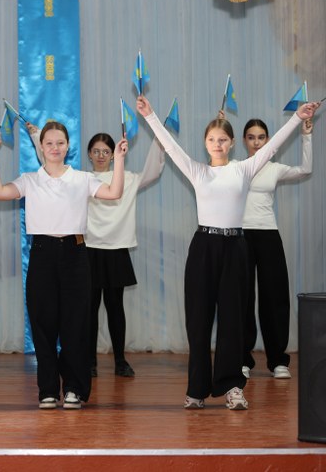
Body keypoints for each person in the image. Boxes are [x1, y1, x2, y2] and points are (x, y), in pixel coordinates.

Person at [136, 95, 317, 410]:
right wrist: (150, 115)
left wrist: (297, 118)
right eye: (211, 140)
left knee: (233, 320)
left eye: (222, 139)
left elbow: (273, 144)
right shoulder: (197, 171)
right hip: (204, 248)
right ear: (205, 143)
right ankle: (196, 390)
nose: (217, 144)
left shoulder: (244, 169)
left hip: (235, 248)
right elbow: (170, 146)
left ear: (232, 143)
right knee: (198, 321)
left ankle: (232, 386)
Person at [0, 121, 128, 410]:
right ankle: (47, 389)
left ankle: (74, 388)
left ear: (68, 146)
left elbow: (114, 193)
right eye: (49, 143)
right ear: (41, 146)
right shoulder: (30, 179)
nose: (55, 148)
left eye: (60, 143)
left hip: (76, 254)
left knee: (76, 324)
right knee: (43, 323)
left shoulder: (82, 178)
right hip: (42, 254)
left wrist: (120, 160)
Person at [29, 124, 164, 378]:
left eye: (106, 151)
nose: (101, 155)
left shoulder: (128, 179)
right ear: (89, 154)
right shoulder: (80, 179)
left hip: (116, 250)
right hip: (87, 249)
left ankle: (120, 360)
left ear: (113, 155)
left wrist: (159, 139)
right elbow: (49, 164)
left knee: (116, 308)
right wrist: (37, 135)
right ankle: (89, 361)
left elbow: (153, 170)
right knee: (87, 310)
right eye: (96, 151)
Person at [241, 117, 313, 380]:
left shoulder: (275, 168)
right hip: (240, 235)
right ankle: (242, 359)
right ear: (244, 140)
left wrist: (306, 135)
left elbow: (305, 169)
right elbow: (213, 169)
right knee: (241, 298)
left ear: (268, 140)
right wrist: (219, 126)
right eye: (251, 137)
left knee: (275, 296)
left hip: (268, 234)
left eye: (261, 137)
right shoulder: (236, 166)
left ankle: (278, 361)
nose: (256, 142)